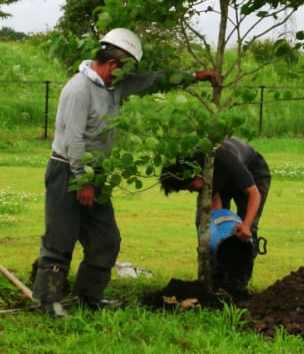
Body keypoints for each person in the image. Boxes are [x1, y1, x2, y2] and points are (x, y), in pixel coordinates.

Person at [32, 27, 220, 319]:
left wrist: (194, 76)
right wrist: (82, 181)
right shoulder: (78, 90)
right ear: (112, 65)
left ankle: (89, 295)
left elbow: (150, 82)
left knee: (107, 239)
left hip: (96, 175)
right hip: (68, 171)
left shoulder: (114, 86)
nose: (126, 80)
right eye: (123, 72)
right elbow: (74, 141)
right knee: (60, 240)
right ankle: (48, 302)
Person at [160, 136, 271, 294]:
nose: (191, 190)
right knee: (205, 223)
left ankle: (237, 283)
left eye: (190, 186)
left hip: (253, 171)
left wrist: (245, 224)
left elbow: (254, 194)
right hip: (219, 175)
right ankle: (214, 278)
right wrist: (215, 224)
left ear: (198, 175)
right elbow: (215, 207)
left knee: (247, 228)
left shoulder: (225, 162)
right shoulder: (198, 165)